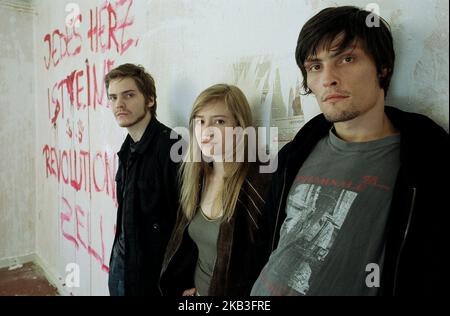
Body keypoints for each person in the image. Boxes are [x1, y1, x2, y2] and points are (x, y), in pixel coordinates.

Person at [251, 6, 449, 296]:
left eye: (346, 58)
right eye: (315, 66)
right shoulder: (294, 154)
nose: (328, 78)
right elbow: (268, 242)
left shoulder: (428, 158)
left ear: (383, 67)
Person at [159, 84, 272, 296]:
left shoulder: (258, 183)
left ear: (240, 126)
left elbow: (264, 261)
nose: (207, 130)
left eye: (219, 121)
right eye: (200, 121)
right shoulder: (197, 177)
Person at [105, 63, 181, 296]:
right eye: (113, 97)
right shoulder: (127, 148)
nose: (119, 104)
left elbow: (184, 220)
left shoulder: (173, 146)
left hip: (152, 274)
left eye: (128, 95)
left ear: (149, 99)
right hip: (121, 263)